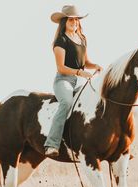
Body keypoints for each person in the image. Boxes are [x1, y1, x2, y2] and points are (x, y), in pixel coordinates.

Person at [44, 5, 103, 157]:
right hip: (64, 80)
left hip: (80, 80)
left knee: (96, 100)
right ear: (64, 21)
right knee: (67, 103)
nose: (74, 22)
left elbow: (85, 61)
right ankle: (51, 144)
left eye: (76, 19)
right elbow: (61, 68)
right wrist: (79, 72)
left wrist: (94, 65)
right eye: (71, 20)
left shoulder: (82, 39)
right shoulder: (60, 41)